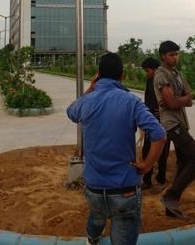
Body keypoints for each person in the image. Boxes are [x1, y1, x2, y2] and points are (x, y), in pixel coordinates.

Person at [67, 52, 166, 245]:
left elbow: (71, 112)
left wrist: (90, 88)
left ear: (98, 75)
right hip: (124, 189)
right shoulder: (132, 101)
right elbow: (159, 134)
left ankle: (93, 239)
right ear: (121, 76)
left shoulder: (86, 101)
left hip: (94, 187)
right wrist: (147, 165)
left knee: (97, 214)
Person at [153, 40, 195, 219]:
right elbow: (171, 102)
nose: (175, 57)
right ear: (163, 56)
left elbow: (190, 99)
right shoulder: (161, 75)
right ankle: (171, 195)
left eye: (177, 54)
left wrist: (180, 99)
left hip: (182, 123)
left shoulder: (177, 74)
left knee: (183, 164)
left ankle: (171, 209)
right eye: (171, 54)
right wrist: (179, 99)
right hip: (172, 125)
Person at [140, 57, 169, 193]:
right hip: (150, 121)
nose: (147, 73)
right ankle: (146, 180)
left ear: (155, 69)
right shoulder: (149, 81)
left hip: (163, 122)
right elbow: (148, 100)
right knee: (147, 150)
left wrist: (163, 111)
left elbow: (171, 99)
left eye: (148, 71)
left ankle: (161, 180)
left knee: (163, 152)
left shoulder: (164, 81)